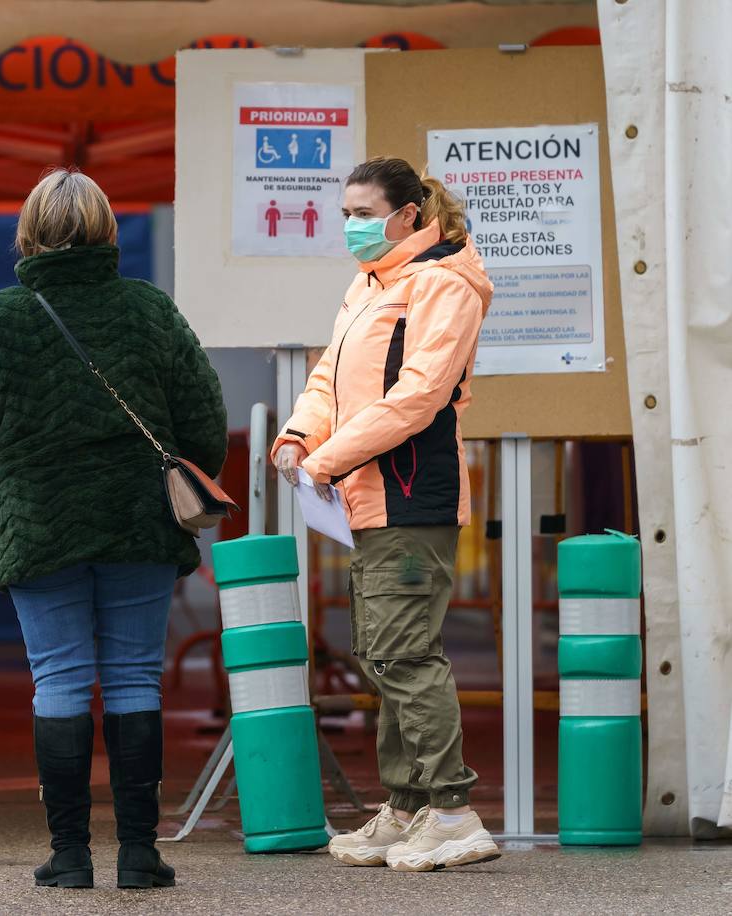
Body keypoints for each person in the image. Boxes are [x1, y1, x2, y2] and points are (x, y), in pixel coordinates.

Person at [0, 168, 227, 890]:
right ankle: (138, 853)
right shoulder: (149, 310)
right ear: (107, 231)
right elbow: (202, 418)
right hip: (136, 521)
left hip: (35, 527)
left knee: (59, 680)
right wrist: (178, 489)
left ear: (29, 233)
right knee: (135, 677)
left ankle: (69, 856)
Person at [271, 157, 499, 872]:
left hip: (409, 491)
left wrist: (328, 458)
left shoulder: (442, 284)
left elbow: (418, 396)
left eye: (363, 213)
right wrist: (300, 435)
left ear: (408, 215)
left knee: (403, 651)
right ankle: (406, 809)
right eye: (345, 213)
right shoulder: (370, 284)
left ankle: (455, 813)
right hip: (368, 496)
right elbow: (327, 376)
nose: (351, 226)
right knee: (380, 650)